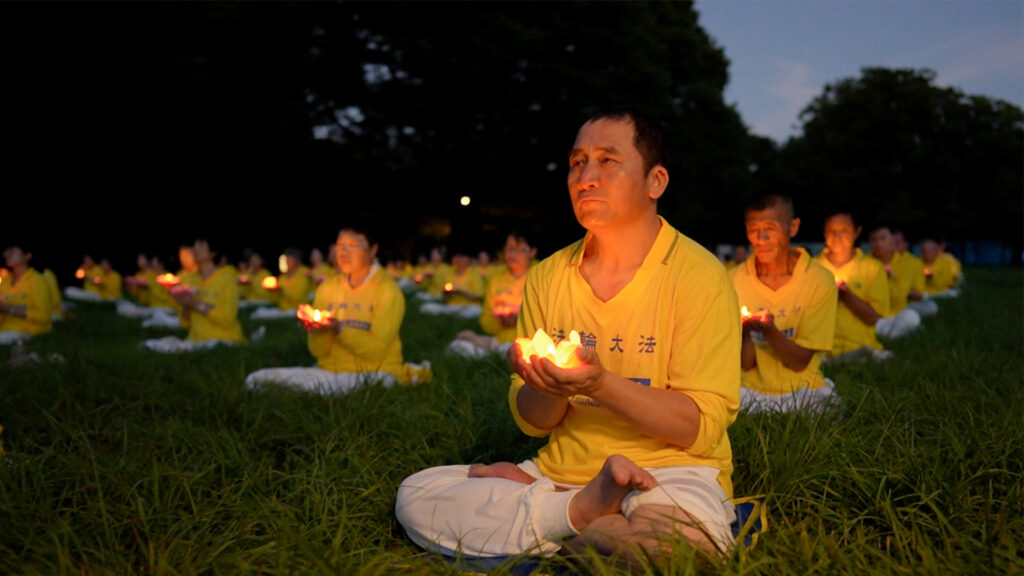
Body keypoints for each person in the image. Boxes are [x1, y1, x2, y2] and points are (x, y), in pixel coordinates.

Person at [396, 108, 742, 563]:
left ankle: (571, 524)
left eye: (607, 161)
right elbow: (533, 421)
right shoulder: (548, 277)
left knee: (672, 544)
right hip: (563, 473)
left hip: (673, 471)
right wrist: (547, 384)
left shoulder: (698, 275)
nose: (586, 178)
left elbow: (698, 427)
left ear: (655, 182)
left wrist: (600, 384)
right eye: (578, 162)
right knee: (418, 493)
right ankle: (583, 514)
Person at [245, 222, 432, 394]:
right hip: (330, 370)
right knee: (256, 379)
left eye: (353, 246)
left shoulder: (388, 291)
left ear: (373, 250)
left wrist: (340, 328)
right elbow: (318, 352)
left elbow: (376, 350)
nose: (344, 252)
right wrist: (316, 330)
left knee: (320, 389)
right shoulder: (327, 288)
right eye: (340, 245)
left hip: (376, 372)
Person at [729, 193, 838, 414]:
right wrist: (745, 332)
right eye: (753, 229)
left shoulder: (819, 280)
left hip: (801, 389)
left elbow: (799, 363)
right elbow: (746, 364)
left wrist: (770, 331)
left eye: (771, 228)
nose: (761, 239)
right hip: (748, 390)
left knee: (829, 406)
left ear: (793, 227)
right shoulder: (732, 280)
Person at [812, 211, 892, 362]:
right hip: (819, 350)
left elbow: (873, 318)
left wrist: (846, 294)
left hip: (859, 346)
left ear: (856, 232)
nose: (837, 236)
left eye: (843, 231)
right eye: (831, 231)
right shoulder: (812, 267)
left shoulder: (872, 268)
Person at [141, 239, 245, 353]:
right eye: (194, 246)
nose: (194, 250)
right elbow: (185, 323)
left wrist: (198, 305)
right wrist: (186, 305)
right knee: (155, 343)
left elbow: (228, 319)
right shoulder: (191, 280)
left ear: (213, 253)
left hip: (223, 338)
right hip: (195, 339)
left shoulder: (227, 279)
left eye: (200, 246)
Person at [448, 231, 536, 358]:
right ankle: (494, 348)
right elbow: (486, 320)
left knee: (523, 354)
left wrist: (520, 320)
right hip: (501, 338)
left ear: (532, 252)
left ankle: (487, 346)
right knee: (456, 347)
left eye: (519, 249)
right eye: (509, 249)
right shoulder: (496, 279)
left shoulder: (543, 276)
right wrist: (501, 321)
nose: (512, 254)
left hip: (532, 343)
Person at [866, 223, 924, 339]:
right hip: (870, 317)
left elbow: (899, 297)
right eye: (874, 240)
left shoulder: (908, 263)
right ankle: (898, 334)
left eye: (883, 238)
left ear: (893, 239)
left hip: (896, 316)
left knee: (912, 316)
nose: (878, 244)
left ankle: (885, 335)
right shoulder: (863, 263)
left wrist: (888, 278)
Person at [0, 245, 54, 344]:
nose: (7, 255)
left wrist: (10, 309)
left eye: (12, 252)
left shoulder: (36, 280)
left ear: (27, 256)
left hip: (29, 329)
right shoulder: (5, 281)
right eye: (7, 252)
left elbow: (44, 315)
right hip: (5, 327)